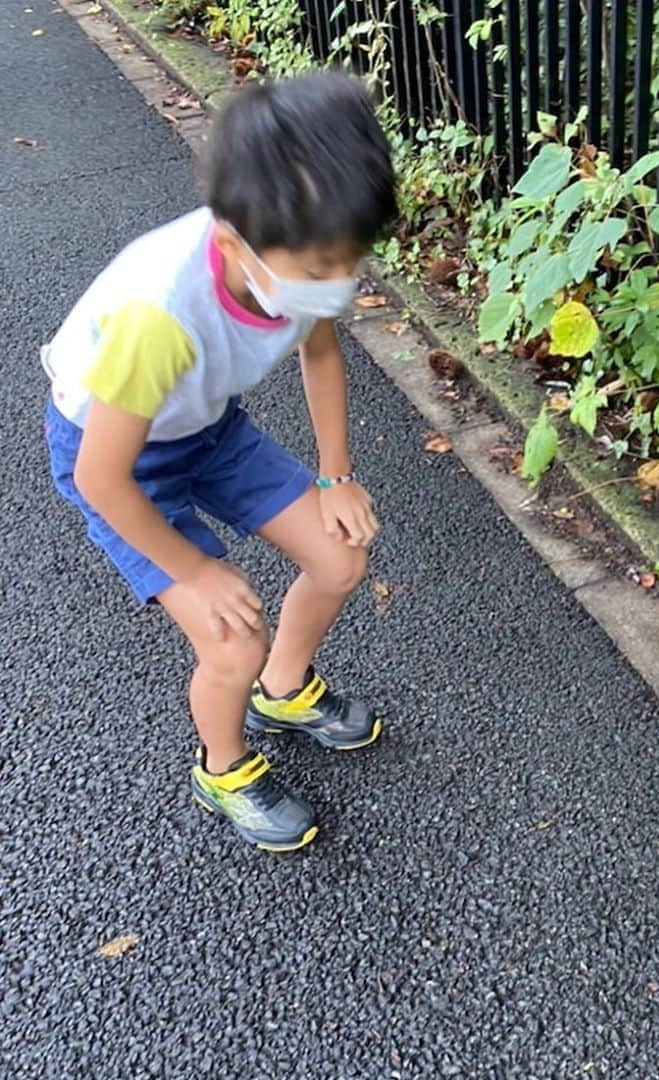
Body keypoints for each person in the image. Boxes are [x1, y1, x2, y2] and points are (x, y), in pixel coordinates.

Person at [42, 72, 398, 852]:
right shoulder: (158, 315)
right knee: (229, 637)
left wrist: (336, 475)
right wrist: (194, 570)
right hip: (121, 460)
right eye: (319, 269)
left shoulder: (295, 259)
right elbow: (104, 478)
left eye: (350, 262)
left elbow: (320, 351)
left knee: (340, 557)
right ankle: (224, 766)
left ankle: (285, 688)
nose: (336, 285)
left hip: (206, 428)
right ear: (234, 243)